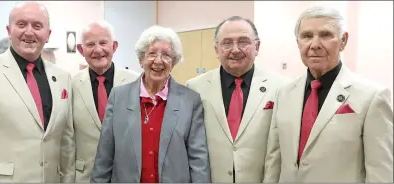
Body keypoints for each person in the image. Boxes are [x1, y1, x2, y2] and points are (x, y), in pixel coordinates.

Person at [263, 6, 393, 183]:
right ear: (298, 42)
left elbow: (381, 172)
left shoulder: (372, 97)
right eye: (307, 36)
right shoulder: (283, 93)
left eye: (325, 35)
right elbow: (274, 159)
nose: (315, 44)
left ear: (343, 41)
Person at [0, 2, 75, 183]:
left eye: (37, 26)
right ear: (9, 31)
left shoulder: (63, 77)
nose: (29, 32)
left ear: (48, 34)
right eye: (21, 24)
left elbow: (67, 141)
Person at [90, 25, 210, 183]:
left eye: (166, 55)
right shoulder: (119, 97)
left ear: (173, 62)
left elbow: (198, 160)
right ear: (141, 59)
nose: (158, 61)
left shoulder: (190, 101)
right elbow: (104, 156)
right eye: (152, 53)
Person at [185, 16, 288, 183]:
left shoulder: (281, 87)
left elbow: (280, 149)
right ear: (216, 49)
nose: (235, 49)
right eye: (227, 43)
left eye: (243, 41)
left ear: (257, 46)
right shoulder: (195, 87)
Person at [71, 20, 139, 182]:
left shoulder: (136, 82)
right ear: (81, 49)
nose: (98, 50)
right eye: (90, 44)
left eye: (103, 43)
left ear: (114, 46)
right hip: (84, 176)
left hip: (126, 175)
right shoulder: (70, 84)